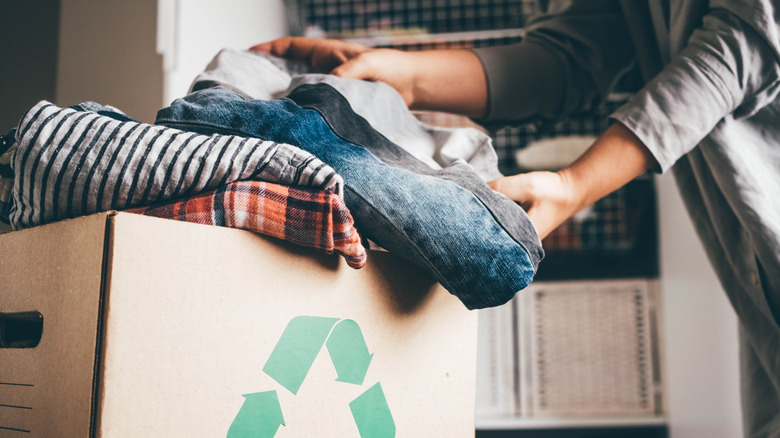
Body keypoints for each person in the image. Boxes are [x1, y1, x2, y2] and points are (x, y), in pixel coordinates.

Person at [252, 1, 780, 435]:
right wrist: (406, 76)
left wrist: (576, 185)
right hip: (751, 262)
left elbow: (748, 42)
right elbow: (570, 59)